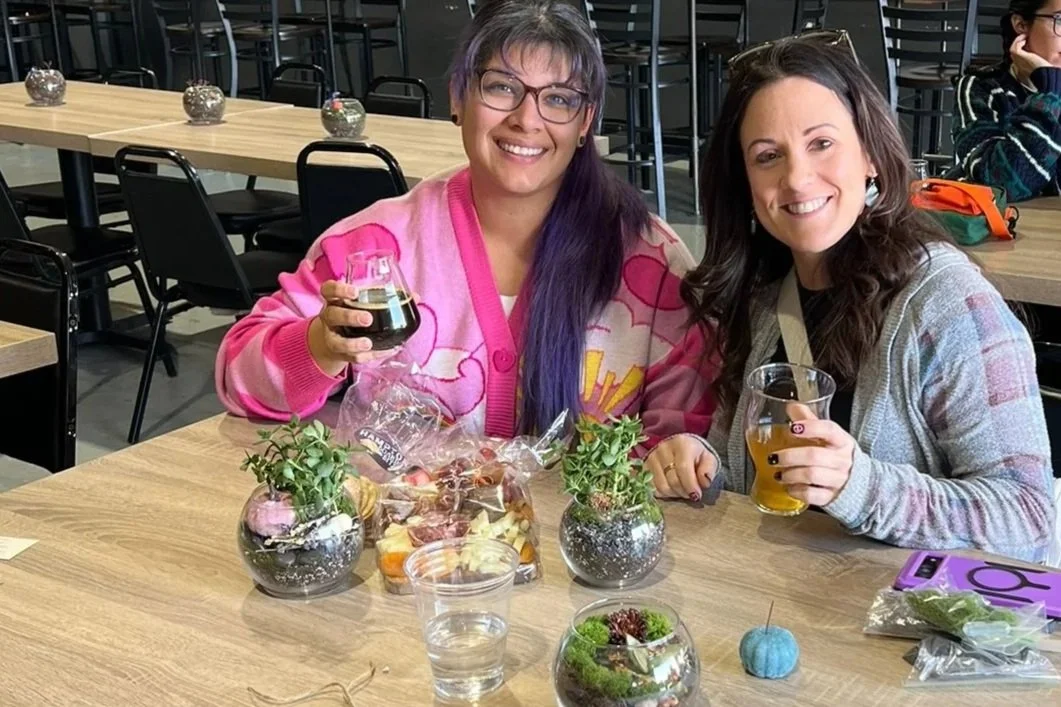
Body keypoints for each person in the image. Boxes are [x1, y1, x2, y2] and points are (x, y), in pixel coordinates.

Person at [215, 0, 716, 487]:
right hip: (412, 553)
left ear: (586, 122)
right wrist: (320, 346)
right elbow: (238, 379)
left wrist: (675, 464)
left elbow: (686, 440)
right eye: (501, 87)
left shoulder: (653, 264)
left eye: (559, 98)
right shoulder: (371, 252)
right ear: (457, 97)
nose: (527, 118)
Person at [666, 32, 1055, 561]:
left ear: (870, 152)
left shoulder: (947, 304)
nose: (798, 178)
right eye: (767, 156)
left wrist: (863, 486)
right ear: (744, 181)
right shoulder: (761, 297)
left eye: (821, 143)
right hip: (785, 608)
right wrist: (702, 465)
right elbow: (752, 473)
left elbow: (1029, 520)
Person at [951, 0, 1061, 201]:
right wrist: (1050, 92)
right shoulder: (982, 90)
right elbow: (1002, 188)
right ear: (1021, 24)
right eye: (1060, 20)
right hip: (1016, 227)